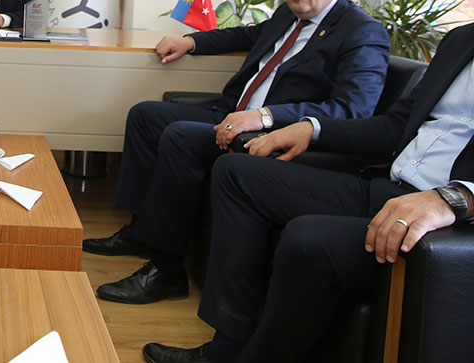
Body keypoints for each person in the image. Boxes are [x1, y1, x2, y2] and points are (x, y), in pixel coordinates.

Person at [84, 0, 391, 306]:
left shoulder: (362, 32)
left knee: (181, 136)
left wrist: (264, 116)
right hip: (231, 113)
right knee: (146, 115)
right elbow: (247, 34)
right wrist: (191, 42)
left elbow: (351, 109)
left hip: (270, 135)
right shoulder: (288, 14)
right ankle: (141, 230)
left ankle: (166, 270)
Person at [143, 21, 474, 363]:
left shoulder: (360, 31)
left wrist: (456, 198)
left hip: (445, 221)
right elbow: (395, 126)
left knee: (306, 238)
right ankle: (227, 346)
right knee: (235, 174)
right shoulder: (460, 40)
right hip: (388, 189)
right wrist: (310, 128)